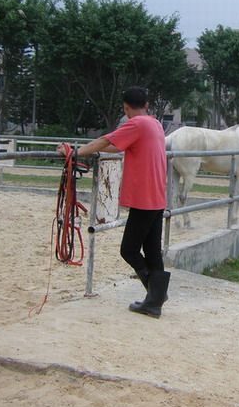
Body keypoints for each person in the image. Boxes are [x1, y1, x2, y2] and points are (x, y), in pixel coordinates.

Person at [57, 86, 170, 318]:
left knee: (128, 250)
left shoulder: (135, 124)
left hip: (144, 198)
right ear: (147, 105)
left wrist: (74, 152)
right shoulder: (154, 123)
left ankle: (156, 295)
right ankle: (155, 300)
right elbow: (115, 144)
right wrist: (85, 150)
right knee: (152, 251)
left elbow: (102, 141)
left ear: (126, 107)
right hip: (157, 196)